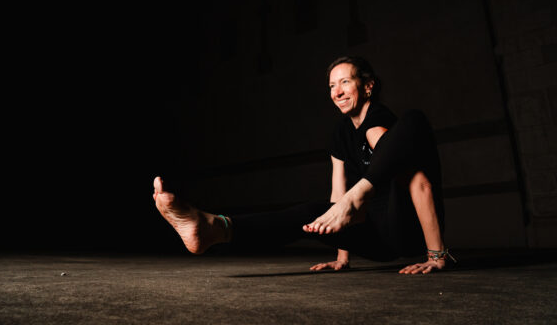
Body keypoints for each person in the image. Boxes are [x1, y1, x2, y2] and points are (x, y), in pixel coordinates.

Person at [153, 56, 455, 274]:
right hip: (376, 239)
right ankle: (214, 229)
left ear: (368, 87)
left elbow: (419, 183)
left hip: (406, 227)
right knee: (308, 213)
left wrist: (436, 255)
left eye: (345, 82)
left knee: (415, 120)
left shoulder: (385, 123)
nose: (336, 92)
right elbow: (336, 200)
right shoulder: (339, 133)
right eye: (331, 86)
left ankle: (361, 196)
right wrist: (342, 257)